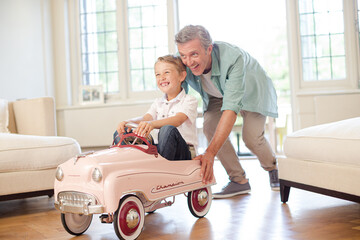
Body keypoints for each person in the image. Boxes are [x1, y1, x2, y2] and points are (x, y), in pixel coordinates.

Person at [175, 25, 279, 199]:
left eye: (194, 54)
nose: (188, 62)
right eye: (183, 55)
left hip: (253, 92)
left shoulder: (232, 58)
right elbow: (174, 96)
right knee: (210, 127)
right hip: (218, 94)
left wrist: (209, 154)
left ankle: (273, 168)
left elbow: (230, 110)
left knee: (251, 138)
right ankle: (239, 181)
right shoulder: (182, 62)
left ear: (209, 49)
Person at [115, 54, 198, 161]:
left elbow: (177, 120)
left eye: (166, 72)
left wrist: (152, 124)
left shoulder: (189, 100)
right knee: (122, 131)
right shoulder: (158, 102)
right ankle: (129, 166)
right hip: (162, 150)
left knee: (167, 129)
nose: (161, 77)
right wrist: (128, 122)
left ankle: (160, 167)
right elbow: (146, 118)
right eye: (157, 74)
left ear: (181, 76)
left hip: (183, 152)